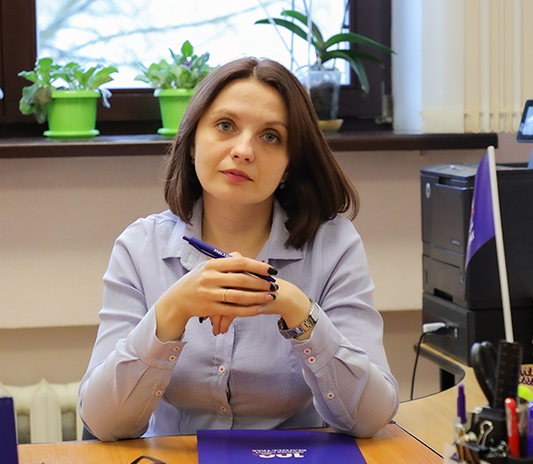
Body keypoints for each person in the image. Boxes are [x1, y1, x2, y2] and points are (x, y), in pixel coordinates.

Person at [80, 57, 399, 441]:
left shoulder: (333, 245)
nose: (244, 150)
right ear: (193, 142)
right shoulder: (140, 246)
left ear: (289, 166)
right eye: (225, 126)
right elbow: (101, 421)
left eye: (271, 137)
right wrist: (174, 308)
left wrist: (297, 309)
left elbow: (371, 417)